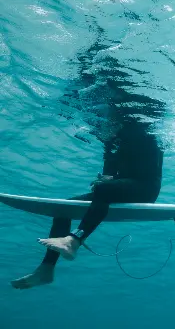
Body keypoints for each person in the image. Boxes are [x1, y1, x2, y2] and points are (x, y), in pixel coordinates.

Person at [11, 119, 163, 289]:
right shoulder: (112, 139)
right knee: (63, 208)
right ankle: (46, 270)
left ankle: (73, 241)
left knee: (104, 189)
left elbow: (147, 170)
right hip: (119, 189)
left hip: (145, 188)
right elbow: (110, 169)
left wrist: (110, 181)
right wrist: (106, 178)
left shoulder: (143, 132)